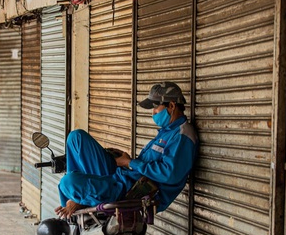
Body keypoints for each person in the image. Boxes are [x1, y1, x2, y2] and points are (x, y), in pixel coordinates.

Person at [55, 82, 199, 218]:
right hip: (120, 177)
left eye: (156, 108)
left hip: (129, 191)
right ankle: (77, 198)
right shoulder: (167, 131)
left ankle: (76, 202)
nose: (153, 113)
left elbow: (170, 174)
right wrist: (125, 160)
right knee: (76, 137)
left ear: (172, 106)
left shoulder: (182, 135)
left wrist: (130, 163)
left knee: (67, 182)